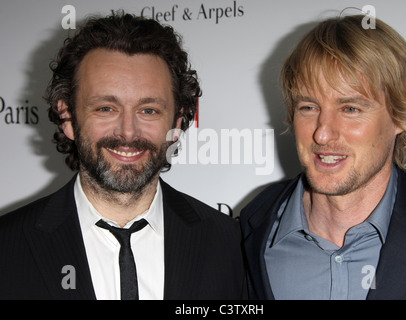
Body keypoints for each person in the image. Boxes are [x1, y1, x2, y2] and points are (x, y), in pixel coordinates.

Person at [0, 12, 246, 300]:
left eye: (148, 110)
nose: (128, 132)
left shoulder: (229, 243)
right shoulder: (7, 246)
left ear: (177, 122)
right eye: (106, 108)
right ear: (67, 117)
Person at [240, 14, 406, 299]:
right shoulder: (250, 230)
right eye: (308, 107)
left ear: (401, 117)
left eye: (350, 109)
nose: (322, 134)